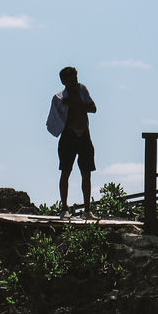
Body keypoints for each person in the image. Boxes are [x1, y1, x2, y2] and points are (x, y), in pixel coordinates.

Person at [48, 66, 97, 218]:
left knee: (86, 173)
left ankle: (87, 211)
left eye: (76, 78)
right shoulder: (58, 98)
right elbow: (53, 121)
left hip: (84, 135)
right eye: (71, 79)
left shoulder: (82, 90)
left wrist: (75, 104)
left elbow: (93, 108)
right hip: (68, 136)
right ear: (64, 81)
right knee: (66, 171)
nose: (75, 81)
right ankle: (64, 209)